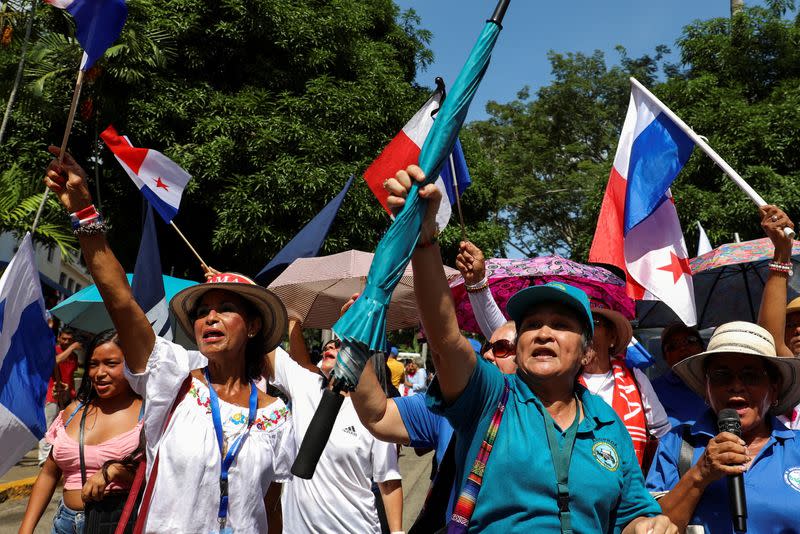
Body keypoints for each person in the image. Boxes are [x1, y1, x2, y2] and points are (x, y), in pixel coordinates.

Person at [382, 165, 675, 533]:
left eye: (562, 326)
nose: (543, 333)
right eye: (532, 325)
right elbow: (445, 341)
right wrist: (425, 242)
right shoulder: (489, 396)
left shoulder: (607, 422)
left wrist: (650, 526)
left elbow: (631, 514)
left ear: (587, 352)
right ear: (517, 347)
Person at [43, 148, 293, 532]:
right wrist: (84, 213)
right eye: (202, 312)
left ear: (254, 327)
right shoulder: (171, 376)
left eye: (225, 308)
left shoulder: (275, 416)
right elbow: (121, 302)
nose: (210, 317)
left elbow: (270, 508)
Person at [457, 240, 670, 466]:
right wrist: (478, 284)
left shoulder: (636, 381)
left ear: (613, 338)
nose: (545, 334)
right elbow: (502, 334)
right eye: (535, 325)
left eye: (595, 321)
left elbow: (664, 439)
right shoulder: (552, 375)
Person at [351, 311, 520, 531]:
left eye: (501, 348)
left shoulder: (543, 420)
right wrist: (354, 342)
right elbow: (378, 415)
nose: (488, 355)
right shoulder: (449, 408)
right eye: (487, 347)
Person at [646, 321, 800, 533]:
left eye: (750, 375)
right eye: (721, 375)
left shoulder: (796, 448)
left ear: (773, 389)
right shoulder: (678, 443)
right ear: (707, 390)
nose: (736, 385)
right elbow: (652, 527)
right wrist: (700, 473)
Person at [276, 316, 403, 533]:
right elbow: (271, 350)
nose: (330, 344)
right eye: (331, 342)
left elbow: (388, 482)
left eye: (341, 343)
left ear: (366, 358)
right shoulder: (305, 387)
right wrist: (293, 321)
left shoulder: (377, 414)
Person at [20, 330, 143, 534]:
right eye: (94, 364)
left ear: (131, 364)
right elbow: (49, 473)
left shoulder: (148, 413)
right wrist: (26, 529)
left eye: (111, 364)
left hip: (118, 524)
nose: (99, 373)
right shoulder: (73, 410)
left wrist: (116, 471)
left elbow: (162, 481)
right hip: (65, 525)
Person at [38, 328, 83, 465]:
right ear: (58, 338)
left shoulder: (73, 357)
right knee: (49, 425)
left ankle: (57, 455)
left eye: (70, 340)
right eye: (64, 339)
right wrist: (72, 348)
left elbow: (70, 376)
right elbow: (55, 361)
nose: (66, 342)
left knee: (64, 426)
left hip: (67, 396)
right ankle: (43, 459)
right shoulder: (53, 351)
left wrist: (73, 393)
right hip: (52, 395)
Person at [651, 323, 707, 425]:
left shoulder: (718, 381)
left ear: (703, 347)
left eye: (690, 340)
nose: (682, 348)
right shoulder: (652, 390)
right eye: (673, 346)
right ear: (665, 357)